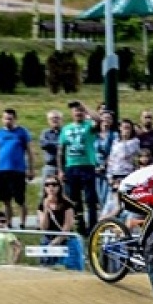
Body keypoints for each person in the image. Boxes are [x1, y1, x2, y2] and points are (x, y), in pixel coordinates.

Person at [0, 108, 34, 230]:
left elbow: (29, 152)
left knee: (20, 199)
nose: (8, 120)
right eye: (5, 118)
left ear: (15, 119)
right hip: (2, 170)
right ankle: (8, 223)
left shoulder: (22, 132)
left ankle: (23, 223)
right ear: (2, 119)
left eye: (10, 118)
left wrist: (31, 169)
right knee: (5, 200)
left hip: (18, 170)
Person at [58, 101, 101, 233]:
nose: (78, 113)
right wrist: (60, 170)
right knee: (74, 198)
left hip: (87, 165)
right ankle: (80, 225)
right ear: (72, 113)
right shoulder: (66, 129)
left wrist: (85, 106)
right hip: (72, 167)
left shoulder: (89, 126)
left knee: (90, 199)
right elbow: (60, 150)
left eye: (80, 111)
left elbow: (98, 119)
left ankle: (93, 226)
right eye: (76, 111)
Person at [36, 178, 75, 267]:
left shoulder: (67, 204)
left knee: (65, 268)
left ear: (59, 187)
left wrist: (56, 242)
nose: (51, 187)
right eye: (47, 185)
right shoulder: (41, 205)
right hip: (48, 239)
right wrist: (46, 209)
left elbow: (67, 226)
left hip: (64, 240)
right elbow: (43, 227)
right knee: (46, 267)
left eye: (54, 184)